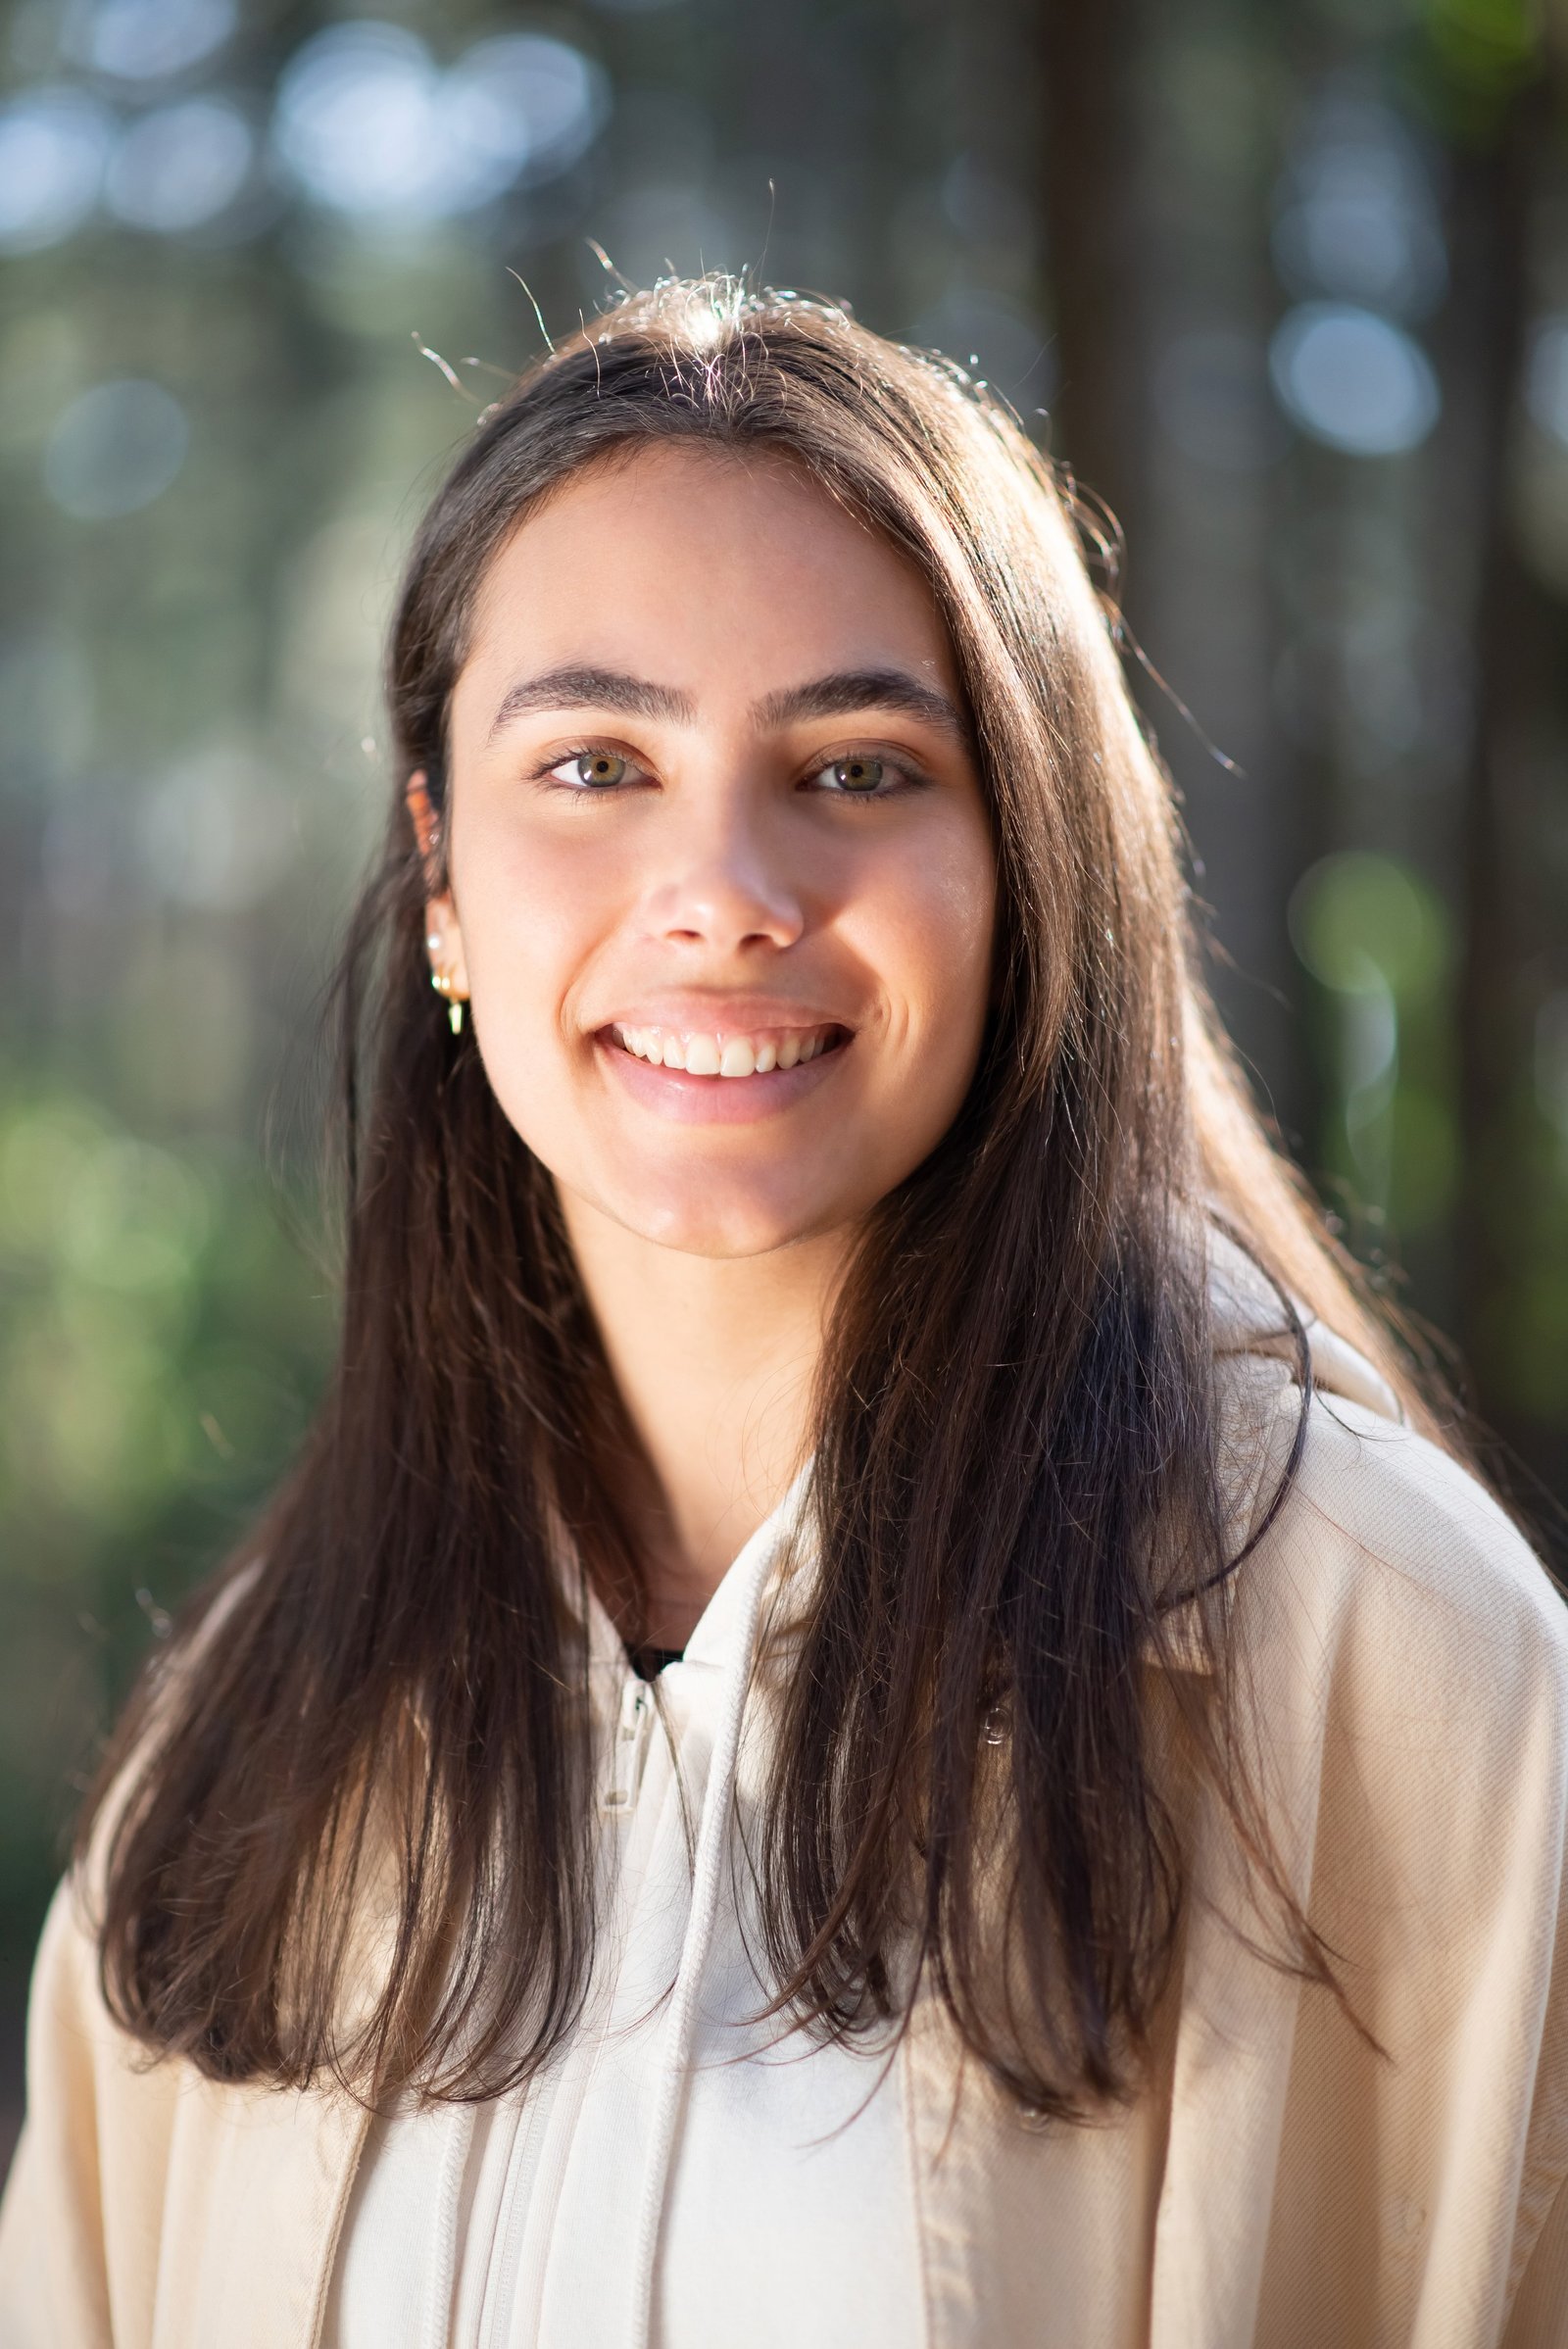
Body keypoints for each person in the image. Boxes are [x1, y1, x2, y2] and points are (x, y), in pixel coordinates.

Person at [2, 275, 1566, 2349]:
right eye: (590, 760)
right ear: (442, 871)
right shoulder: (242, 1754)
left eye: (850, 767)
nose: (721, 884)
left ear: (1022, 858)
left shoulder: (1384, 1663)